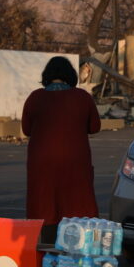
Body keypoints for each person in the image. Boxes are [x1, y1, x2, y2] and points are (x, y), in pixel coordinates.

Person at [22, 56, 102, 242]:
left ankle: (49, 247)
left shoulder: (35, 97)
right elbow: (94, 127)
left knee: (45, 203)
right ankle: (77, 247)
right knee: (76, 202)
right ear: (70, 75)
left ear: (47, 75)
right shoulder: (82, 97)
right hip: (75, 161)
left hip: (42, 163)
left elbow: (27, 130)